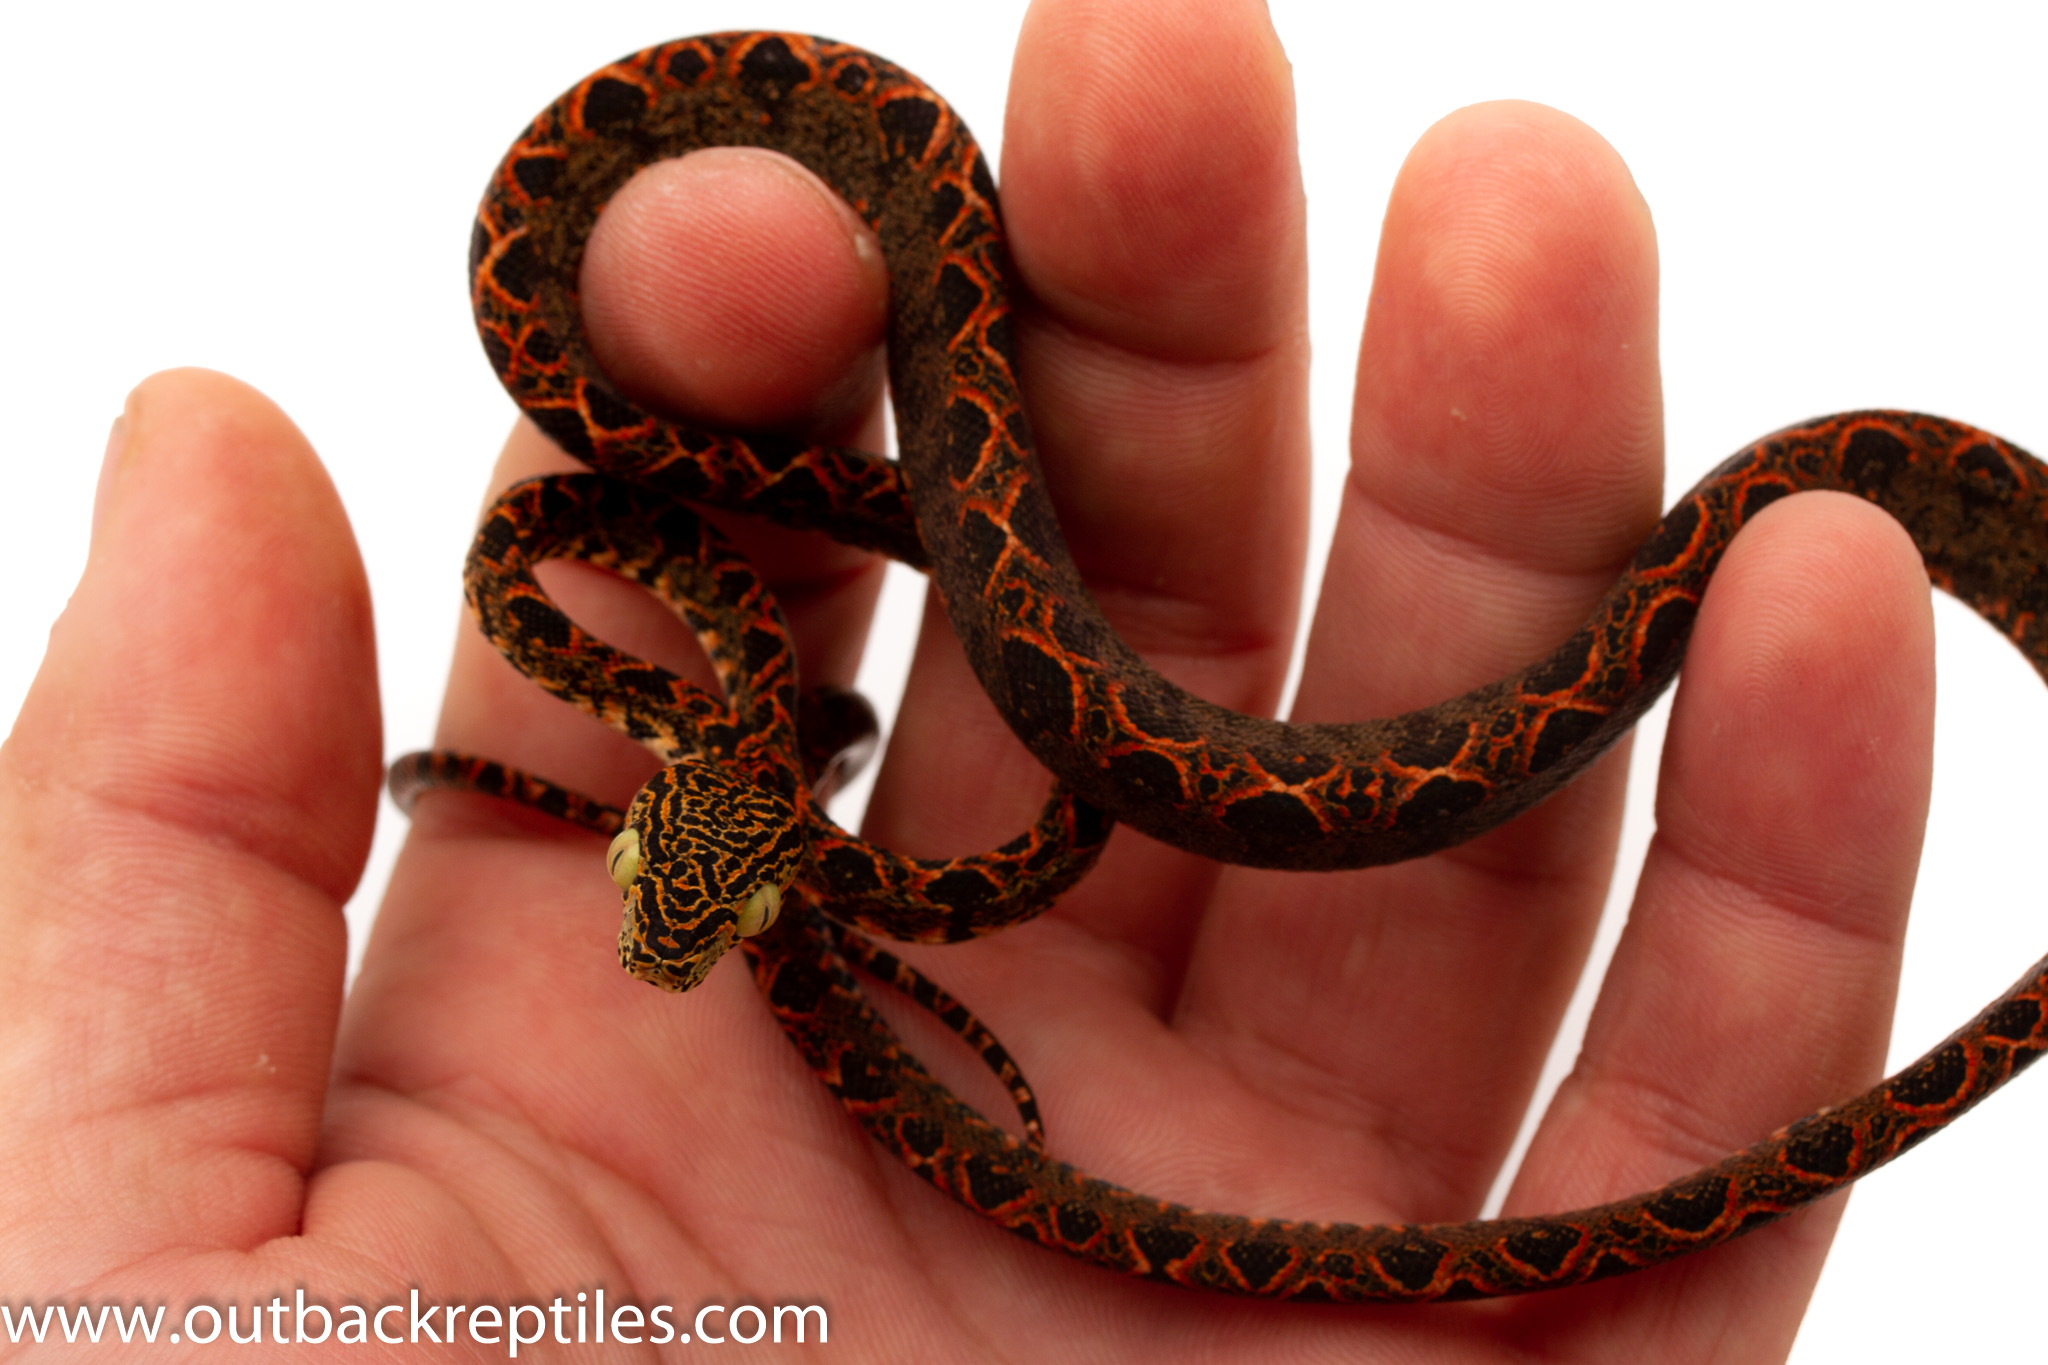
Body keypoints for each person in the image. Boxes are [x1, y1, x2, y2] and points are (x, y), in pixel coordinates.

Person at [0, 0, 1934, 1356]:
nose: (679, 944)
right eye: (701, 899)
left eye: (691, 898)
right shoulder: (580, 597)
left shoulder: (626, 618)